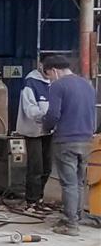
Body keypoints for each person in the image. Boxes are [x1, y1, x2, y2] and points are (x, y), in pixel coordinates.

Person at [42, 54, 98, 235]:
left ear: (54, 70)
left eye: (49, 75)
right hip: (86, 139)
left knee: (69, 183)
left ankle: (71, 224)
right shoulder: (87, 85)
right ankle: (77, 216)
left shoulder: (58, 86)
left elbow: (53, 114)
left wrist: (45, 126)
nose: (50, 79)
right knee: (79, 181)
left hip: (66, 140)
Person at [14, 58, 52, 215]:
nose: (52, 73)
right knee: (36, 167)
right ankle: (31, 201)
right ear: (41, 66)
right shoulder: (30, 83)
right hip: (33, 131)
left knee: (47, 167)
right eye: (50, 69)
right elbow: (29, 108)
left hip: (49, 130)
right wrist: (45, 115)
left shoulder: (53, 81)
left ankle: (40, 199)